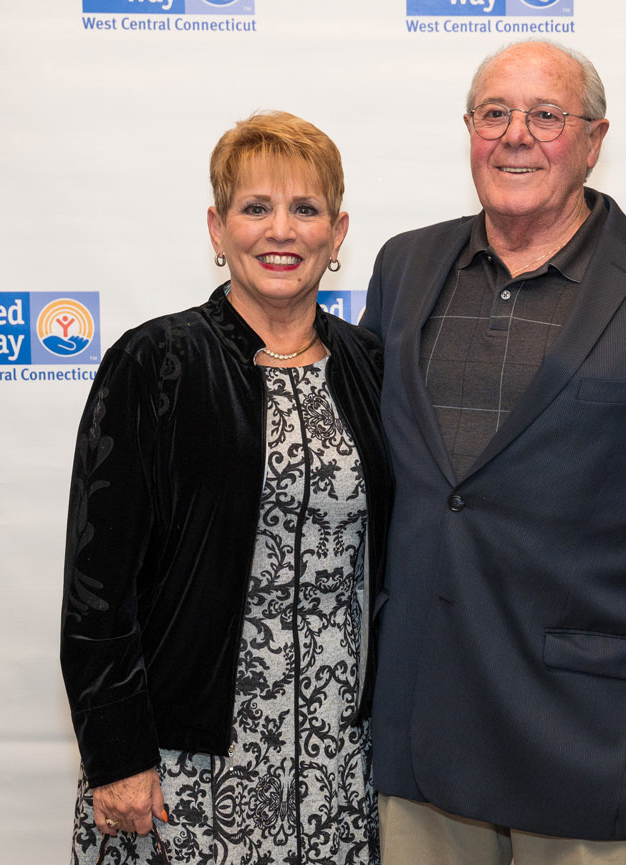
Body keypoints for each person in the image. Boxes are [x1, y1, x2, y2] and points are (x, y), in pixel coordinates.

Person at [360, 40, 626, 864]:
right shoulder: (404, 266)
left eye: (545, 115)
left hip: (598, 743)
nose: (515, 135)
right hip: (425, 732)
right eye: (494, 113)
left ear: (593, 140)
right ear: (469, 131)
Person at [61, 110, 391, 865]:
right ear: (218, 227)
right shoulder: (155, 362)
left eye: (305, 209)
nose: (282, 230)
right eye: (255, 208)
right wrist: (117, 754)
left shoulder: (369, 366)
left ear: (337, 234)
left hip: (340, 763)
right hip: (186, 762)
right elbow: (96, 581)